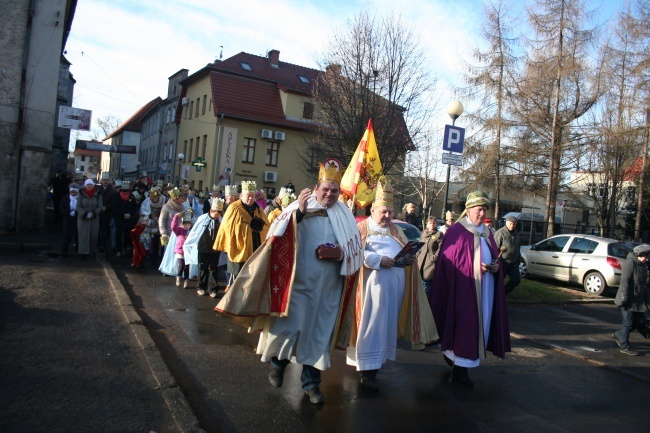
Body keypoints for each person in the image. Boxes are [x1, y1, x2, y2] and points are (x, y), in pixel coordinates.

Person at [214, 159, 363, 405]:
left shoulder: (345, 215)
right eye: (325, 189)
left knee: (318, 336)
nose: (329, 194)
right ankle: (277, 364)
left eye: (334, 190)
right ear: (316, 188)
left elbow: (355, 251)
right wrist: (301, 214)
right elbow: (276, 235)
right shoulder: (298, 207)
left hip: (328, 290)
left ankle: (311, 384)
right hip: (297, 286)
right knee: (288, 329)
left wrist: (341, 254)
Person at [347, 180, 438, 390]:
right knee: (369, 326)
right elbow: (352, 251)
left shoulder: (397, 230)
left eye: (390, 212)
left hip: (393, 288)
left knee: (385, 326)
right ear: (373, 210)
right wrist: (376, 260)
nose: (387, 216)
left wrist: (408, 260)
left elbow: (405, 251)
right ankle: (365, 369)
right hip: (369, 288)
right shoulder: (360, 228)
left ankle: (376, 365)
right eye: (383, 212)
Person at [429, 191, 510, 387]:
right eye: (478, 209)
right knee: (464, 326)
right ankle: (460, 369)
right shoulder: (457, 231)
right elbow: (449, 263)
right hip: (463, 291)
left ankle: (456, 359)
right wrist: (473, 267)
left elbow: (494, 257)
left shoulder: (488, 232)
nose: (482, 213)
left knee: (480, 324)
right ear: (468, 210)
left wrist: (496, 267)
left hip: (486, 289)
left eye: (484, 209)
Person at [213, 180, 270, 290]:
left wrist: (260, 227)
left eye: (253, 196)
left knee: (251, 277)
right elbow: (227, 227)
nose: (250, 199)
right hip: (238, 247)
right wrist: (247, 228)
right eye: (248, 196)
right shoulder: (234, 208)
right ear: (241, 195)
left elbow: (267, 225)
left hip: (254, 247)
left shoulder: (258, 209)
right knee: (237, 279)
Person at [613, 244, 650, 356]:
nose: (646, 258)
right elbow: (624, 282)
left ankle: (619, 335)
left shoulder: (643, 265)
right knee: (628, 322)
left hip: (638, 300)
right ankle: (624, 345)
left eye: (647, 256)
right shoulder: (630, 263)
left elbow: (644, 284)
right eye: (644, 256)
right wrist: (624, 298)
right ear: (638, 254)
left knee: (639, 322)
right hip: (628, 299)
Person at [184, 197, 224, 297]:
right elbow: (195, 232)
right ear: (211, 210)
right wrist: (189, 242)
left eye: (219, 212)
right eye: (216, 212)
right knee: (202, 268)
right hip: (203, 247)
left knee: (214, 269)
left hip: (215, 248)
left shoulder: (221, 220)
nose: (218, 214)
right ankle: (201, 286)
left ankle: (213, 289)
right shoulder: (202, 218)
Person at [76, 179, 103, 261]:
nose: (89, 186)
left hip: (94, 218)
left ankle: (91, 251)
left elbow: (100, 205)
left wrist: (94, 213)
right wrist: (84, 213)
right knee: (83, 235)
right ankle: (83, 252)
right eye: (88, 185)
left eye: (91, 185)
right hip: (83, 218)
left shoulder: (98, 193)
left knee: (93, 235)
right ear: (85, 185)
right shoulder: (81, 193)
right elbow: (79, 206)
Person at [417, 215, 443, 297]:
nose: (432, 225)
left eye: (434, 223)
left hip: (430, 264)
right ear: (427, 224)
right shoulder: (424, 233)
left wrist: (434, 258)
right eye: (430, 223)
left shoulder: (438, 234)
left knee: (426, 287)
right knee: (419, 286)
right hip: (421, 262)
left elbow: (441, 248)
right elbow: (420, 246)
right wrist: (416, 256)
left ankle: (425, 306)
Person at [494, 215, 521, 294]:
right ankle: (495, 297)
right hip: (503, 262)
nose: (512, 226)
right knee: (498, 281)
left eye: (514, 224)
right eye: (511, 224)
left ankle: (503, 293)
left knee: (516, 280)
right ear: (506, 223)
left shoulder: (516, 234)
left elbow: (518, 247)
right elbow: (495, 248)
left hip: (513, 262)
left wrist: (518, 259)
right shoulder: (500, 233)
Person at [112, 181, 139, 258]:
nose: (125, 191)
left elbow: (135, 207)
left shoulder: (132, 196)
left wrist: (130, 214)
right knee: (119, 234)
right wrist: (122, 214)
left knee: (127, 234)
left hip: (128, 218)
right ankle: (118, 250)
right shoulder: (117, 196)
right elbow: (114, 207)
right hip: (119, 218)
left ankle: (125, 247)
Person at [171, 209, 194, 288]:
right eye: (185, 224)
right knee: (181, 265)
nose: (187, 226)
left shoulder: (191, 231)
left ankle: (186, 280)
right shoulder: (180, 230)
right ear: (183, 224)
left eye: (188, 224)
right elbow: (173, 227)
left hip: (188, 251)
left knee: (187, 267)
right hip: (180, 250)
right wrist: (176, 217)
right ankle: (178, 277)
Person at [59, 183, 80, 257]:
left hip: (77, 219)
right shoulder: (65, 198)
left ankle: (79, 251)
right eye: (72, 191)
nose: (73, 193)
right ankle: (64, 251)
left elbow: (82, 207)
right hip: (68, 220)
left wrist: (76, 212)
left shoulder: (80, 198)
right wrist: (68, 213)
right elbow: (61, 208)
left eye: (75, 192)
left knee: (78, 237)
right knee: (66, 236)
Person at [97, 174, 116, 254]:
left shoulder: (112, 191)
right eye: (104, 180)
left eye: (107, 180)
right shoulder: (98, 189)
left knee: (104, 230)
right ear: (102, 181)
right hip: (98, 212)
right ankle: (96, 244)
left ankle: (102, 245)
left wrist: (106, 207)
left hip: (106, 213)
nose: (105, 182)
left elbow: (113, 202)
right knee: (97, 229)